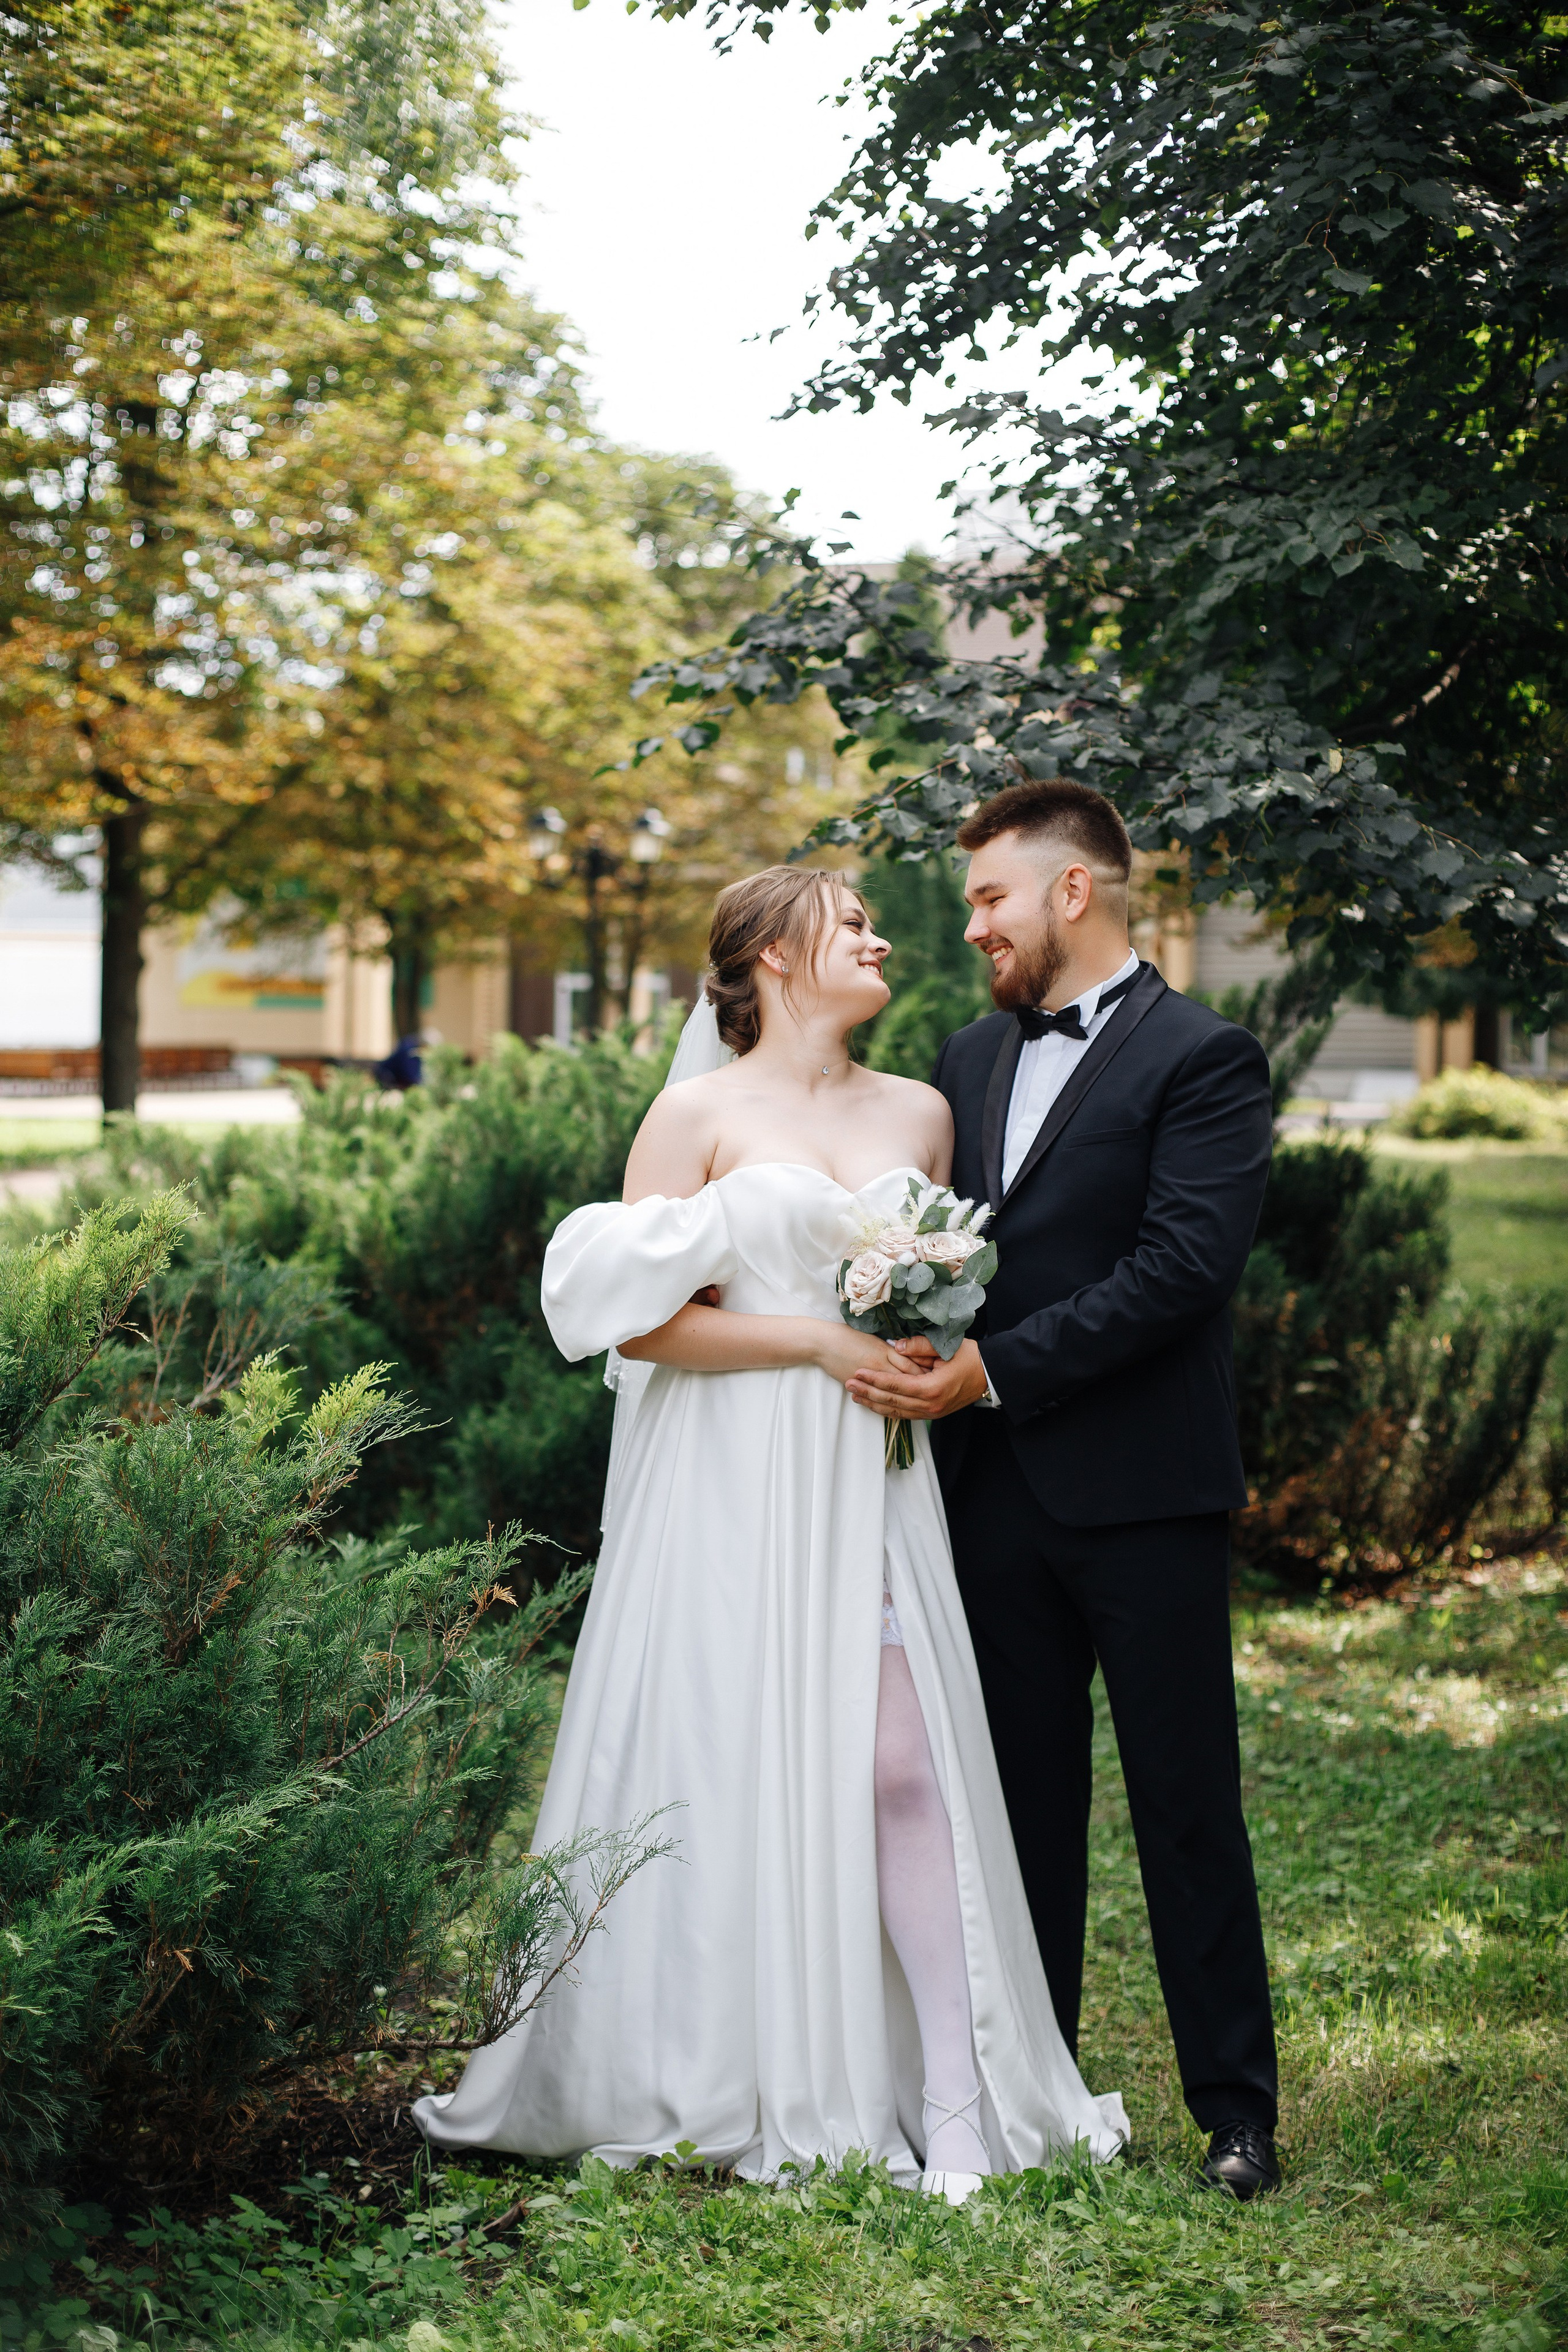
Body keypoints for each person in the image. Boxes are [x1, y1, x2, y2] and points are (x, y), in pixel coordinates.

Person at [414, 864, 1125, 2196]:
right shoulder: (692, 1116)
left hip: (869, 1470)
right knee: (729, 1756)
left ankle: (956, 2106)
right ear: (772, 955)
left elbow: (942, 1294)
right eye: (849, 922)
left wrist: (923, 1334)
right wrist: (809, 1335)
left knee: (901, 1766)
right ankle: (728, 2061)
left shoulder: (917, 1112)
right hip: (731, 1468)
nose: (877, 939)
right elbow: (635, 1320)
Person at [844, 777, 1282, 2200]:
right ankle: (1028, 2086)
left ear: (1070, 891)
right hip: (987, 1496)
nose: (970, 925)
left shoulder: (1204, 1057)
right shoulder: (964, 1059)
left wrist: (989, 1371)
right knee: (1010, 1801)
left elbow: (1179, 1273)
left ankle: (1233, 2112)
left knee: (1183, 1803)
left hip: (1145, 1493)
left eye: (987, 898)